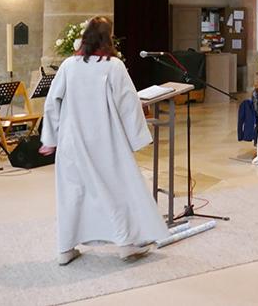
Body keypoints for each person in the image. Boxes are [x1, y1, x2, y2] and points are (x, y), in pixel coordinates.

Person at [40, 16, 169, 265]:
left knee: (72, 194)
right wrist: (138, 138)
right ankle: (125, 245)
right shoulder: (113, 66)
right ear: (107, 38)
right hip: (106, 143)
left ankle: (65, 249)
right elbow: (129, 103)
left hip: (72, 142)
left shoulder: (69, 65)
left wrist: (50, 138)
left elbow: (52, 103)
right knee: (116, 192)